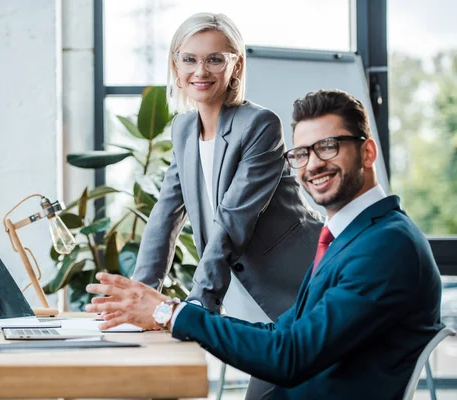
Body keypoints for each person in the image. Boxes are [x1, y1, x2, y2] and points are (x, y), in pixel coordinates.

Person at [86, 89, 444, 400]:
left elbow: (288, 356)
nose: (313, 165)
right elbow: (282, 335)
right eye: (301, 153)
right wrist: (167, 313)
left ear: (367, 153)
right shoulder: (349, 237)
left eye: (328, 147)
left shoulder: (385, 247)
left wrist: (171, 312)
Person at [132, 12, 322, 329]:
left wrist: (196, 307)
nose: (200, 71)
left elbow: (233, 221)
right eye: (189, 59)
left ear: (236, 66)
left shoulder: (260, 124)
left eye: (215, 60)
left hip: (294, 285)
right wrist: (139, 296)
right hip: (239, 285)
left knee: (288, 375)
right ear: (175, 66)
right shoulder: (183, 128)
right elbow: (165, 214)